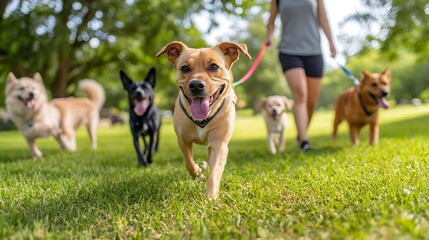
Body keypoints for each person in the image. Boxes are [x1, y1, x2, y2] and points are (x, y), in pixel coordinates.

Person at [266, 0, 336, 151]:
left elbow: (323, 18)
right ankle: (304, 141)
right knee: (300, 94)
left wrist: (331, 43)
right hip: (288, 51)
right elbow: (271, 20)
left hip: (314, 51)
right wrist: (269, 36)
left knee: (311, 102)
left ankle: (301, 133)